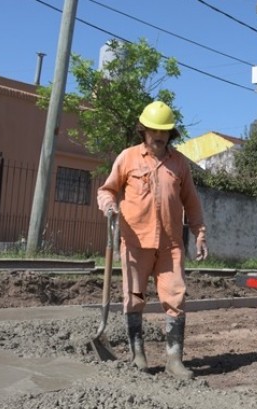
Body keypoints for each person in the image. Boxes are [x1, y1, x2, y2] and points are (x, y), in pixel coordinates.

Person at [97, 100, 208, 380]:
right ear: (143, 130)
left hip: (170, 246)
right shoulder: (128, 158)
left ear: (171, 133)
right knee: (134, 299)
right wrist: (109, 206)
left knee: (176, 298)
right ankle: (138, 356)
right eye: (153, 130)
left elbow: (192, 203)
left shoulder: (179, 164)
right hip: (135, 243)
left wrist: (200, 233)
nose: (158, 136)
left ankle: (174, 360)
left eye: (164, 131)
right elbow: (107, 189)